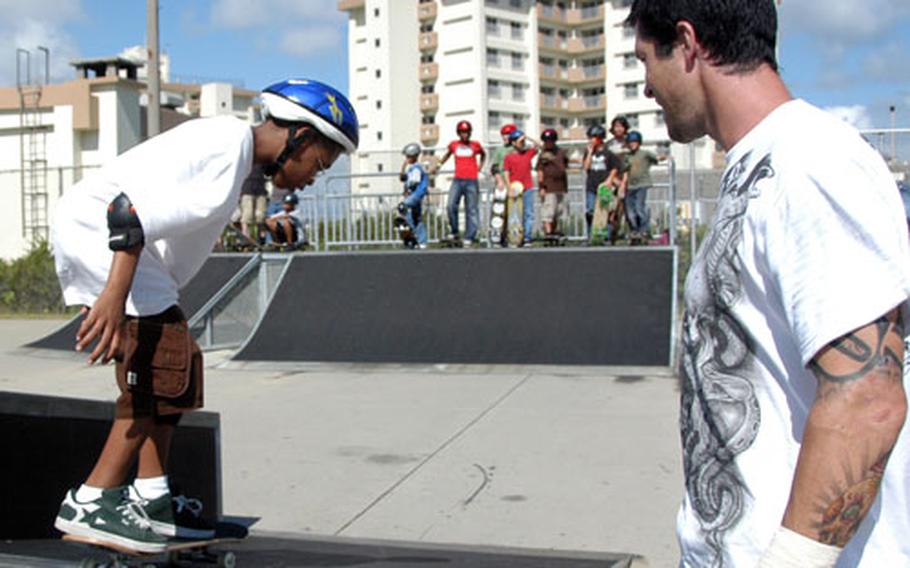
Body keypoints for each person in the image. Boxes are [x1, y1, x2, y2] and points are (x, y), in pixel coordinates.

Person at [628, 1, 910, 567]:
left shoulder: (811, 162)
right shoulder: (762, 166)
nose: (647, 87)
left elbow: (868, 401)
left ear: (687, 44)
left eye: (645, 61)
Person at [50, 78, 358, 552]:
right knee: (160, 361)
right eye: (318, 164)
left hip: (110, 239)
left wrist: (258, 222)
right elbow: (128, 214)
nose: (314, 177)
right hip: (106, 236)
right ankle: (92, 500)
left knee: (179, 364)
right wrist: (113, 298)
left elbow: (174, 208)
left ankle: (151, 497)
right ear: (299, 137)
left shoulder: (230, 150)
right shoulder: (227, 152)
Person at [434, 120, 485, 245]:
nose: (465, 135)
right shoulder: (454, 145)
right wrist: (439, 165)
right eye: (462, 132)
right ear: (458, 133)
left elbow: (483, 154)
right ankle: (455, 231)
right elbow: (447, 155)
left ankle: (470, 235)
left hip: (471, 180)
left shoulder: (475, 145)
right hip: (458, 179)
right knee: (451, 205)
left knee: (471, 208)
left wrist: (480, 167)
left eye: (467, 132)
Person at [620, 130, 661, 244]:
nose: (632, 145)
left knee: (639, 207)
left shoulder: (645, 154)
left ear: (639, 143)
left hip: (642, 184)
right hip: (630, 186)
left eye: (635, 142)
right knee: (630, 211)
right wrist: (623, 185)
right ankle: (634, 230)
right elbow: (625, 170)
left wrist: (664, 158)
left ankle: (644, 230)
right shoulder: (627, 156)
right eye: (630, 143)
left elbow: (656, 159)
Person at [582, 124, 623, 237]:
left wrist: (609, 180)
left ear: (599, 138)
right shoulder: (588, 152)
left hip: (604, 187)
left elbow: (615, 168)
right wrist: (590, 152)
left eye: (593, 138)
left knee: (605, 211)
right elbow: (586, 167)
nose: (590, 140)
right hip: (591, 186)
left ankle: (606, 235)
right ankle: (591, 235)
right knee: (590, 211)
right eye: (589, 138)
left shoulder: (608, 154)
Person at [502, 129, 539, 245]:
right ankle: (514, 237)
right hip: (515, 189)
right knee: (514, 214)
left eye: (523, 142)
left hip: (528, 187)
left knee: (529, 213)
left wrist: (526, 137)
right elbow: (506, 173)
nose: (522, 143)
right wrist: (509, 188)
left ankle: (527, 237)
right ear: (513, 143)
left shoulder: (528, 153)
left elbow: (539, 145)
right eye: (520, 141)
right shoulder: (508, 157)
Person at [536, 128, 569, 237]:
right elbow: (540, 171)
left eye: (550, 140)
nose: (547, 143)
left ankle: (554, 231)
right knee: (548, 211)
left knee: (558, 211)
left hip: (561, 187)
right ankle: (548, 232)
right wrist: (541, 187)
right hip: (549, 187)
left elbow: (564, 168)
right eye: (545, 141)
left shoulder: (561, 153)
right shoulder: (542, 155)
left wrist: (554, 160)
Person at [399, 142, 429, 248]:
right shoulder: (411, 168)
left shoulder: (417, 168)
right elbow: (402, 178)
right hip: (416, 194)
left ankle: (412, 231)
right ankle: (422, 242)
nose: (406, 158)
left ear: (413, 156)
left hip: (417, 194)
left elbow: (413, 183)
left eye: (407, 156)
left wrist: (408, 192)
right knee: (417, 217)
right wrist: (404, 165)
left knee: (403, 207)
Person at [238, 164, 268, 242]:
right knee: (247, 215)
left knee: (261, 217)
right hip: (247, 189)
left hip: (260, 190)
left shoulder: (263, 161)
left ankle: (261, 239)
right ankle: (245, 237)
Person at [490, 124, 517, 192]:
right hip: (503, 183)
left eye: (507, 134)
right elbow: (494, 168)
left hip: (517, 183)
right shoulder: (500, 150)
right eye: (503, 135)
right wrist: (499, 181)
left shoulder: (519, 148)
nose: (505, 137)